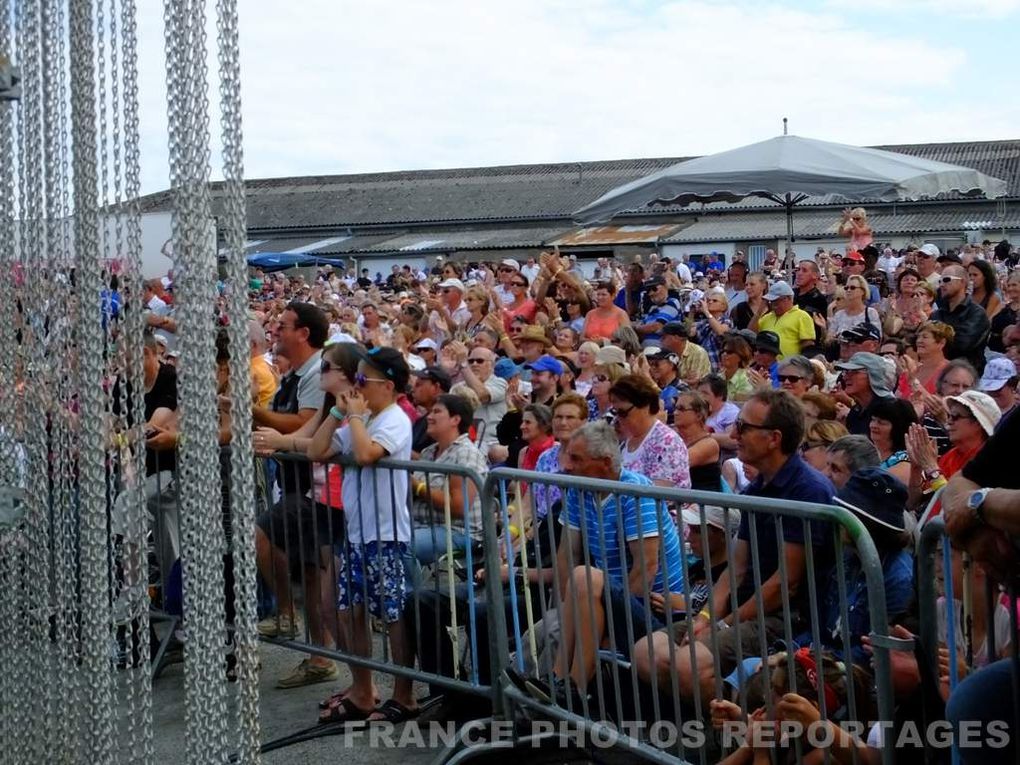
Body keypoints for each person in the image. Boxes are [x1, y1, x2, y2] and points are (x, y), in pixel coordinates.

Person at [655, 389, 836, 706]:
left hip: (786, 619)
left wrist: (723, 623)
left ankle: (732, 728)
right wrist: (707, 616)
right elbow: (735, 569)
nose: (733, 434)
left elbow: (786, 583)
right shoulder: (758, 486)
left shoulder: (808, 489)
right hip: (742, 609)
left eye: (744, 427)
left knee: (686, 663)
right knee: (649, 652)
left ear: (774, 438)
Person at [521, 421, 686, 704]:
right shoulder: (578, 489)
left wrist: (602, 618)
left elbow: (645, 569)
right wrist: (568, 609)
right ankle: (549, 692)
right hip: (601, 597)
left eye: (576, 459)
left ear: (606, 462)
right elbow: (565, 555)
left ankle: (569, 689)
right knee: (540, 632)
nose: (567, 466)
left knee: (585, 578)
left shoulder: (636, 493)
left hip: (652, 609)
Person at [308, 347, 418, 725]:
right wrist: (340, 413)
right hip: (358, 534)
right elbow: (316, 450)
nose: (355, 387)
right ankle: (362, 690)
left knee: (393, 615)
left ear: (387, 386)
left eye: (361, 380)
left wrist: (354, 416)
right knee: (350, 612)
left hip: (386, 536)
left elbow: (369, 454)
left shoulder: (394, 419)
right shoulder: (363, 417)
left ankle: (404, 696)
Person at [411, 394, 488, 566]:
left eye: (437, 412)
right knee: (378, 540)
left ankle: (408, 594)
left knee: (402, 547)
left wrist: (418, 487)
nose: (429, 417)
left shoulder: (465, 453)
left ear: (455, 419)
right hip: (421, 525)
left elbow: (458, 507)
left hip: (458, 531)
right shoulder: (428, 452)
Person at [907, 390, 1000, 517]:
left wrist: (931, 468)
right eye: (949, 415)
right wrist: (916, 468)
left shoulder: (988, 461)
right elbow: (913, 502)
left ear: (978, 423)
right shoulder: (951, 455)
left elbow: (953, 507)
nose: (948, 421)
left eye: (955, 417)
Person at [609, 374, 691, 489]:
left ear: (645, 406)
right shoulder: (623, 438)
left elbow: (658, 493)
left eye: (623, 412)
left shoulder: (667, 442)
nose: (618, 418)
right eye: (615, 412)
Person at [930, 265, 990, 370]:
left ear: (962, 282)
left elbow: (961, 344)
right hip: (937, 370)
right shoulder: (937, 314)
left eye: (946, 279)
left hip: (966, 373)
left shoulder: (977, 313)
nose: (942, 285)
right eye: (939, 281)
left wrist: (935, 341)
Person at [449, 347, 506, 455]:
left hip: (489, 443)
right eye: (470, 361)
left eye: (480, 361)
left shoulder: (500, 383)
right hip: (461, 440)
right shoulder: (457, 387)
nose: (474, 364)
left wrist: (464, 366)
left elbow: (482, 395)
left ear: (491, 365)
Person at [834, 351, 895, 436]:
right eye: (846, 372)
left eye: (854, 372)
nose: (845, 377)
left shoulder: (889, 408)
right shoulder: (857, 410)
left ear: (873, 375)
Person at [673, 390, 722, 492]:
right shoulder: (674, 437)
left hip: (705, 504)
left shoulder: (709, 444)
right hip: (681, 500)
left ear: (699, 415)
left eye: (681, 409)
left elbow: (675, 464)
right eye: (675, 408)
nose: (675, 413)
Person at [755, 280, 815, 359]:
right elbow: (750, 333)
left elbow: (808, 345)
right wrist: (759, 312)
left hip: (790, 367)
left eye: (776, 301)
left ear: (789, 298)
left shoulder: (802, 316)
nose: (773, 305)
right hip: (767, 367)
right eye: (771, 302)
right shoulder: (766, 317)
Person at [867, 397, 917, 485]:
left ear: (898, 428)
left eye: (881, 423)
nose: (873, 425)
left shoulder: (905, 461)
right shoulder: (867, 451)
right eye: (873, 420)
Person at [897, 321, 951, 397]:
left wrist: (912, 380)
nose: (919, 341)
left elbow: (937, 405)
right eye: (918, 337)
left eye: (925, 337)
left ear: (941, 343)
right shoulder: (910, 369)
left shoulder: (949, 370)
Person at [410, 366, 451, 457]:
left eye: (418, 385)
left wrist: (403, 452)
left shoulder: (447, 423)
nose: (412, 390)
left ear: (436, 387)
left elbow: (440, 462)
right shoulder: (420, 421)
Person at [827, 274, 880, 342]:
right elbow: (829, 339)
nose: (848, 290)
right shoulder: (839, 315)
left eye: (852, 288)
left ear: (863, 291)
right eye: (846, 288)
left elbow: (877, 338)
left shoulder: (871, 313)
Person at [634, 277, 683, 348]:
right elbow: (643, 326)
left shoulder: (672, 302)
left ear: (665, 286)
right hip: (648, 350)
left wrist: (636, 328)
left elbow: (656, 326)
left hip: (663, 352)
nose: (651, 293)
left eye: (654, 288)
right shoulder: (652, 309)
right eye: (648, 290)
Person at [690, 290, 731, 368]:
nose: (710, 302)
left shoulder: (726, 321)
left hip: (717, 366)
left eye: (715, 301)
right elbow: (688, 332)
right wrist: (692, 312)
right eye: (708, 300)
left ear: (723, 306)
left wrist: (706, 311)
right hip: (702, 366)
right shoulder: (703, 322)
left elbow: (720, 332)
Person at [987, 269, 1020, 353]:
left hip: (1013, 353)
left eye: (1014, 285)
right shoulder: (1002, 306)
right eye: (1008, 286)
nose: (1010, 288)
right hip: (992, 349)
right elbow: (988, 322)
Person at [717, 334, 754, 402]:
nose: (724, 354)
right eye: (723, 351)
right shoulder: (718, 377)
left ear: (740, 356)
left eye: (729, 352)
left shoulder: (747, 379)